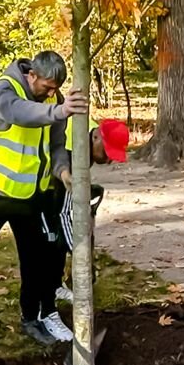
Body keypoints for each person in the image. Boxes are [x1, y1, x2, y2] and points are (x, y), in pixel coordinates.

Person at [0, 50, 86, 361]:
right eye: (46, 87)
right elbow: (20, 113)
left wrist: (63, 172)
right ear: (31, 75)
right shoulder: (5, 89)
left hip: (29, 198)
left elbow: (56, 145)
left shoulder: (53, 100)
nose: (51, 93)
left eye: (55, 89)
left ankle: (31, 318)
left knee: (34, 263)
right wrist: (59, 111)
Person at [48, 118, 130, 302]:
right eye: (108, 152)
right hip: (36, 193)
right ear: (95, 138)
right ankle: (44, 301)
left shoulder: (84, 133)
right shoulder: (74, 157)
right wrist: (81, 254)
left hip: (49, 187)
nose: (109, 160)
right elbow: (65, 213)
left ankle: (54, 284)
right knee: (52, 238)